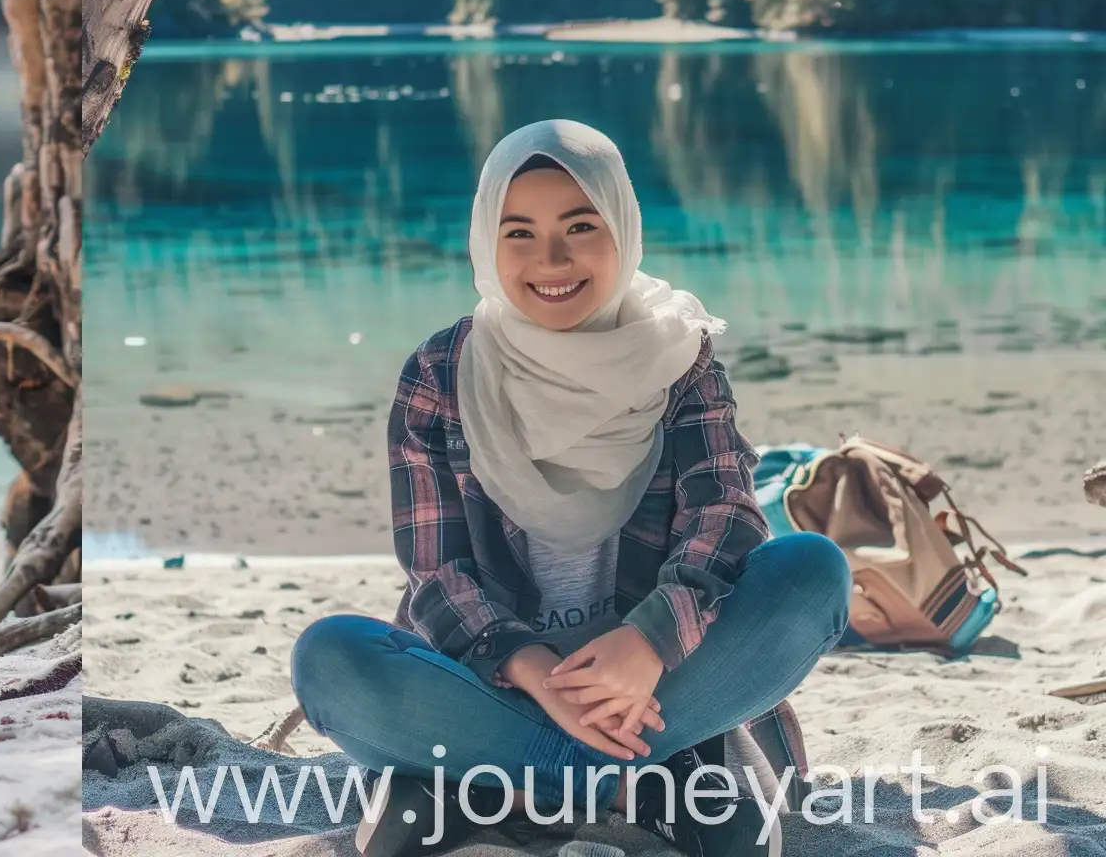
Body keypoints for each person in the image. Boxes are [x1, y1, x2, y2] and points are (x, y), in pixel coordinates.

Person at [289, 120, 850, 856]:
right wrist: (535, 672)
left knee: (812, 571)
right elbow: (436, 572)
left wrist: (648, 642)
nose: (549, 259)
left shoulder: (680, 357)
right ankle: (645, 780)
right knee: (330, 658)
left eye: (580, 226)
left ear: (621, 226)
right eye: (517, 232)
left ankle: (489, 778)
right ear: (486, 241)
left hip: (660, 677)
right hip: (494, 677)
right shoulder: (440, 374)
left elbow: (724, 521)